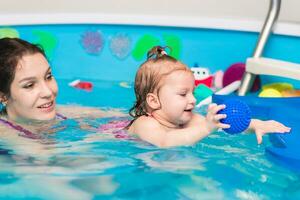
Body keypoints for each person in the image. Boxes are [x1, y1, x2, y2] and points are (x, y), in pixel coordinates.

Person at [127, 46, 291, 148]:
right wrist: (206, 128)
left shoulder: (191, 119)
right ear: (154, 101)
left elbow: (224, 124)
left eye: (193, 92)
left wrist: (257, 124)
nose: (193, 100)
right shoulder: (145, 124)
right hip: (114, 134)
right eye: (183, 94)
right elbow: (164, 142)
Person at [0, 37, 124, 153]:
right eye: (29, 85)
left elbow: (118, 116)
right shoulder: (5, 133)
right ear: (3, 97)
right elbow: (47, 160)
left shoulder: (60, 113)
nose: (48, 92)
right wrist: (102, 136)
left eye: (48, 77)